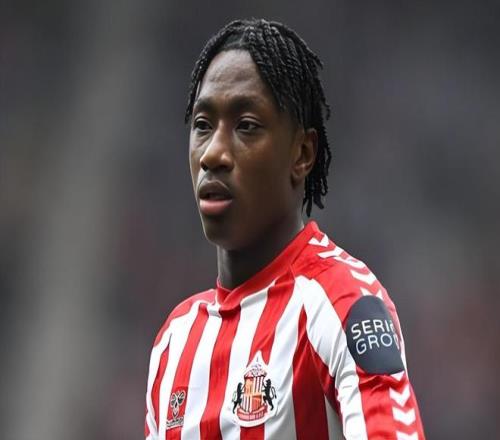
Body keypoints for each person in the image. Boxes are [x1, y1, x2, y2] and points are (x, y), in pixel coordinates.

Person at [145, 18, 425, 440]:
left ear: (302, 153)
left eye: (246, 126)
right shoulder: (175, 341)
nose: (213, 154)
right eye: (202, 125)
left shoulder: (343, 303)